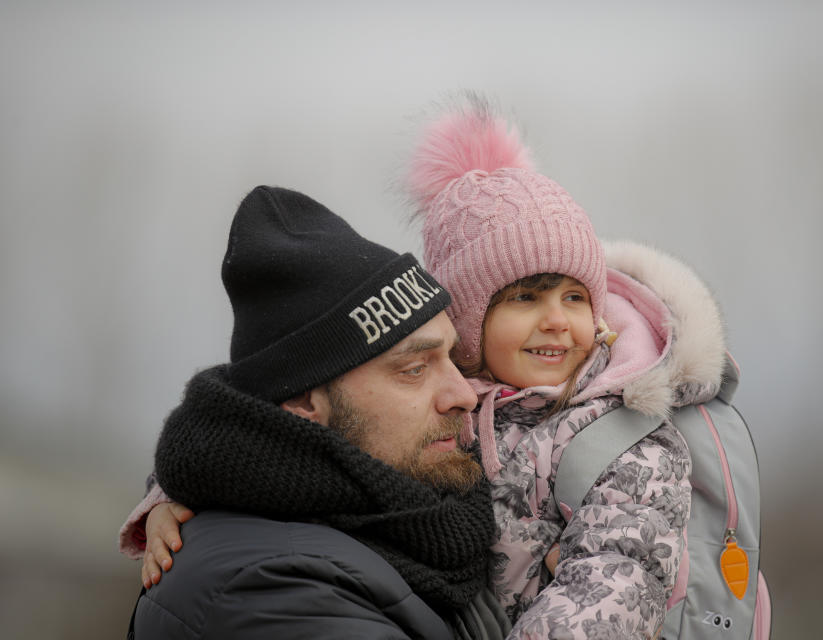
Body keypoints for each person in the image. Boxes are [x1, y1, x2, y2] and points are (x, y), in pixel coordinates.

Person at [125, 97, 735, 639]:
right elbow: (230, 441)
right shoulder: (275, 587)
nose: (556, 320)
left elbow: (620, 573)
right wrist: (173, 495)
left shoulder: (623, 434)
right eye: (413, 368)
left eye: (575, 297)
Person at [122, 185, 510, 640]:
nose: (464, 395)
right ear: (305, 401)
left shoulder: (423, 525)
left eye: (454, 359)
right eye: (412, 369)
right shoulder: (267, 588)